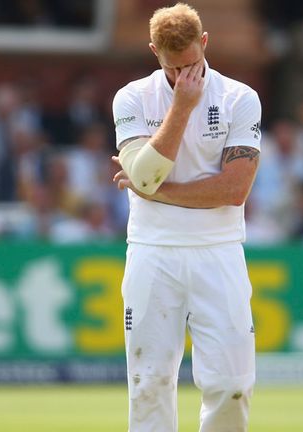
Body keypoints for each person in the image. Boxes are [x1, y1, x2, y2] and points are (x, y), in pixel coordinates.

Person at [110, 4, 261, 431]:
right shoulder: (133, 97)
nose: (184, 77)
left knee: (232, 384)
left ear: (206, 43)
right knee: (149, 381)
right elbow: (144, 174)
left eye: (192, 64)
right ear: (154, 51)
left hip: (219, 250)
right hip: (153, 250)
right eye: (173, 68)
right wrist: (181, 108)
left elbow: (234, 190)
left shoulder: (240, 98)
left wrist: (156, 190)